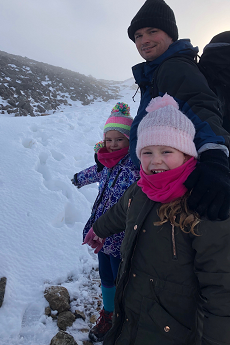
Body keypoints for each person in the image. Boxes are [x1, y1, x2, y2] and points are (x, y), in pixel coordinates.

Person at [84, 94, 230, 344]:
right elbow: (122, 210)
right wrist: (100, 228)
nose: (156, 161)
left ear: (186, 153)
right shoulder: (141, 188)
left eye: (167, 151)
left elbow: (221, 288)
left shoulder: (204, 202)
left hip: (174, 331)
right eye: (147, 152)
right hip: (131, 316)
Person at [127, 0, 230, 221]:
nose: (144, 40)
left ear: (170, 35)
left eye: (152, 32)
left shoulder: (173, 67)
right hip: (160, 175)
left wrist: (215, 158)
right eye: (138, 36)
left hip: (176, 181)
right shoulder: (156, 71)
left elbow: (199, 106)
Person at [72, 102, 139, 342]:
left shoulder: (134, 166)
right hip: (101, 233)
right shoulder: (106, 162)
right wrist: (79, 178)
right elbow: (95, 171)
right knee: (106, 277)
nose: (112, 144)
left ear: (129, 141)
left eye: (118, 139)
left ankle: (124, 316)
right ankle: (108, 314)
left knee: (122, 277)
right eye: (108, 139)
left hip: (122, 235)